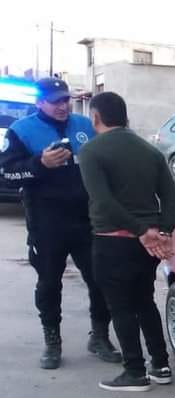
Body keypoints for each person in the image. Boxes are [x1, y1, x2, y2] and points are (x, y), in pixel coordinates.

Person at [0, 77, 121, 369]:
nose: (62, 106)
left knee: (100, 281)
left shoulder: (84, 125)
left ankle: (100, 337)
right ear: (39, 103)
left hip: (88, 220)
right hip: (47, 223)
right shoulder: (22, 131)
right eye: (55, 101)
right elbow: (5, 174)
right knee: (49, 284)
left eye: (65, 100)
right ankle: (52, 343)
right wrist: (40, 164)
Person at [78, 92, 175, 392]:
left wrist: (140, 230)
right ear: (126, 117)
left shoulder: (91, 151)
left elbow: (103, 201)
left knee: (121, 307)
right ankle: (160, 366)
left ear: (95, 117)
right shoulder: (150, 151)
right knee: (144, 301)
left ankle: (134, 371)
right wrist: (162, 231)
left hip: (113, 242)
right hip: (147, 244)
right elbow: (172, 198)